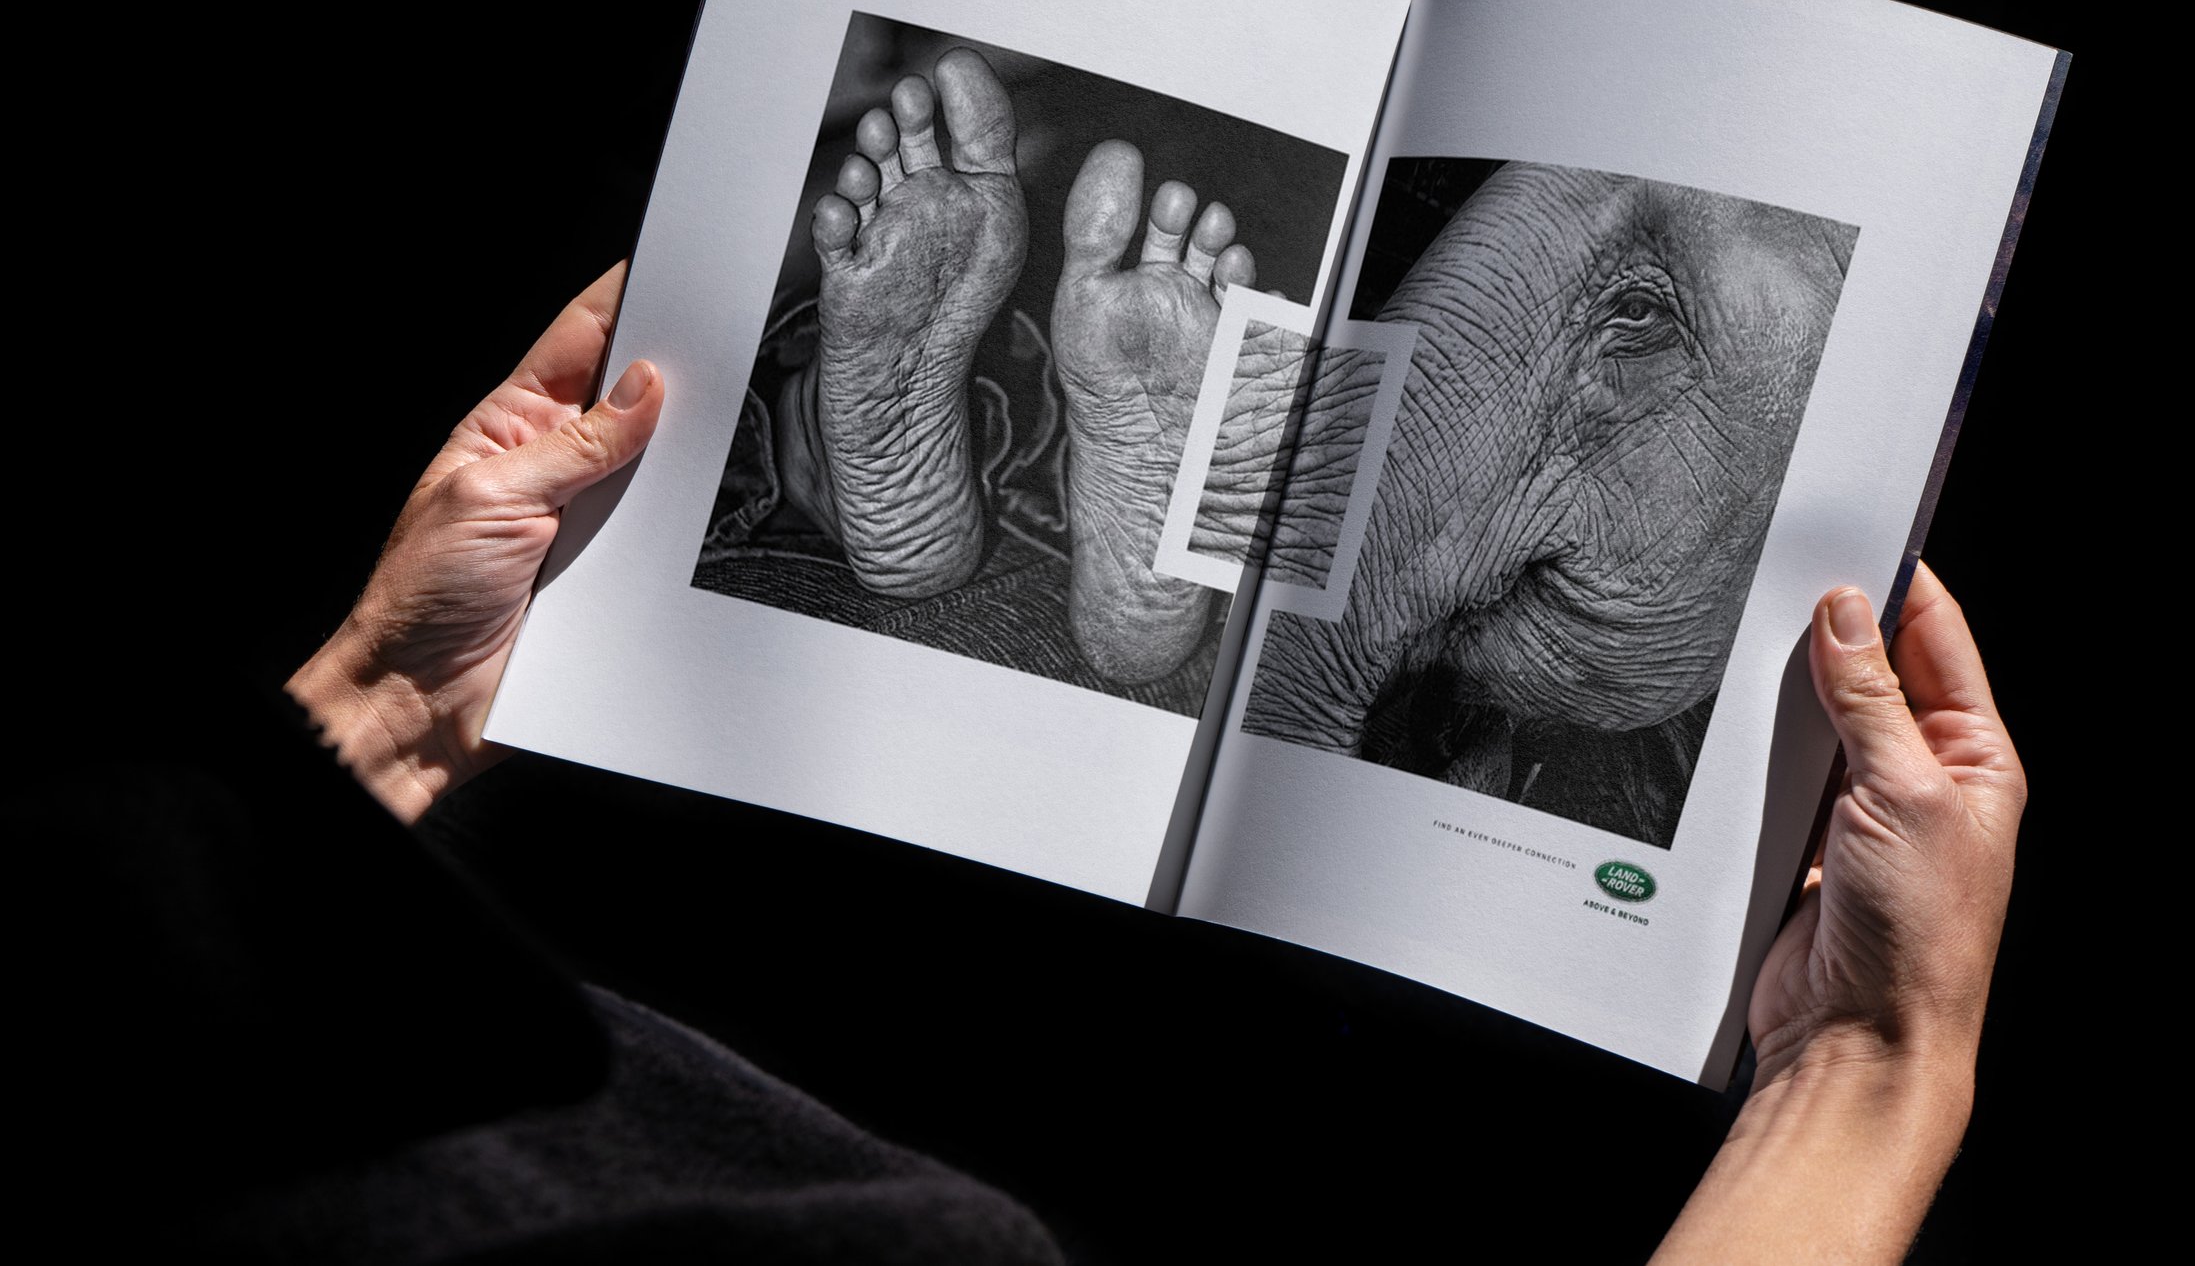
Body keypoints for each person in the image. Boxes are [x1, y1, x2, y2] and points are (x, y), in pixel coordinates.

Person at [259, 266, 2024, 1261]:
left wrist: (383, 706)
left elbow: (115, 950)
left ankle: (938, 494)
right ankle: (1039, 514)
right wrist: (1874, 1064)